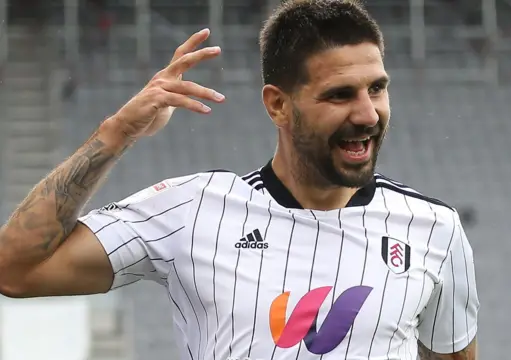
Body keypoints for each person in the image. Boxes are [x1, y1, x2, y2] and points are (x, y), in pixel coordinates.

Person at [0, 1, 479, 359]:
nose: (367, 113)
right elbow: (13, 269)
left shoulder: (435, 228)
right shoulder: (190, 212)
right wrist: (118, 132)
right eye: (339, 95)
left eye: (377, 88)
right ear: (277, 105)